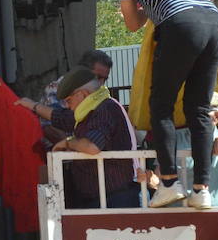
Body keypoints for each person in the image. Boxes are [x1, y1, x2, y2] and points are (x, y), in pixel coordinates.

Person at [102, 0, 218, 210]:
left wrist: (140, 7)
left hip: (181, 25)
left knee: (160, 105)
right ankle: (201, 190)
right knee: (199, 108)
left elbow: (134, 24)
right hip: (215, 24)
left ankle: (168, 183)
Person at [16, 67, 138, 209]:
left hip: (114, 199)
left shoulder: (104, 109)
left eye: (68, 100)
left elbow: (92, 146)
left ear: (82, 94)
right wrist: (32, 105)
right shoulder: (88, 110)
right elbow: (60, 117)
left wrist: (68, 143)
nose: (67, 106)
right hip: (100, 197)